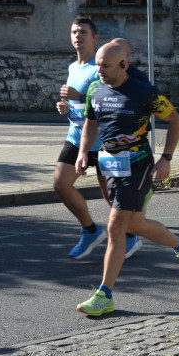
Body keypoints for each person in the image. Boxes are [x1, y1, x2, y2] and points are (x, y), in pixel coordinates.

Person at [74, 42, 179, 316]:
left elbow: (176, 121)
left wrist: (166, 157)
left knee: (116, 229)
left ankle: (104, 296)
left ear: (124, 65)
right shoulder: (95, 90)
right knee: (136, 224)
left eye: (106, 66)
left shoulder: (144, 92)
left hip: (137, 166)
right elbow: (91, 124)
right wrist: (83, 152)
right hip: (107, 165)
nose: (100, 71)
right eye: (98, 65)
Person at [54, 17, 117, 259]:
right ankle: (90, 230)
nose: (77, 36)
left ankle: (130, 236)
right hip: (75, 138)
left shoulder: (99, 67)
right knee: (60, 184)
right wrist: (66, 108)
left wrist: (79, 97)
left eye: (82, 32)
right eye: (74, 32)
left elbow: (108, 103)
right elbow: (78, 108)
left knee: (109, 195)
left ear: (95, 38)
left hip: (102, 142)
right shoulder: (73, 68)